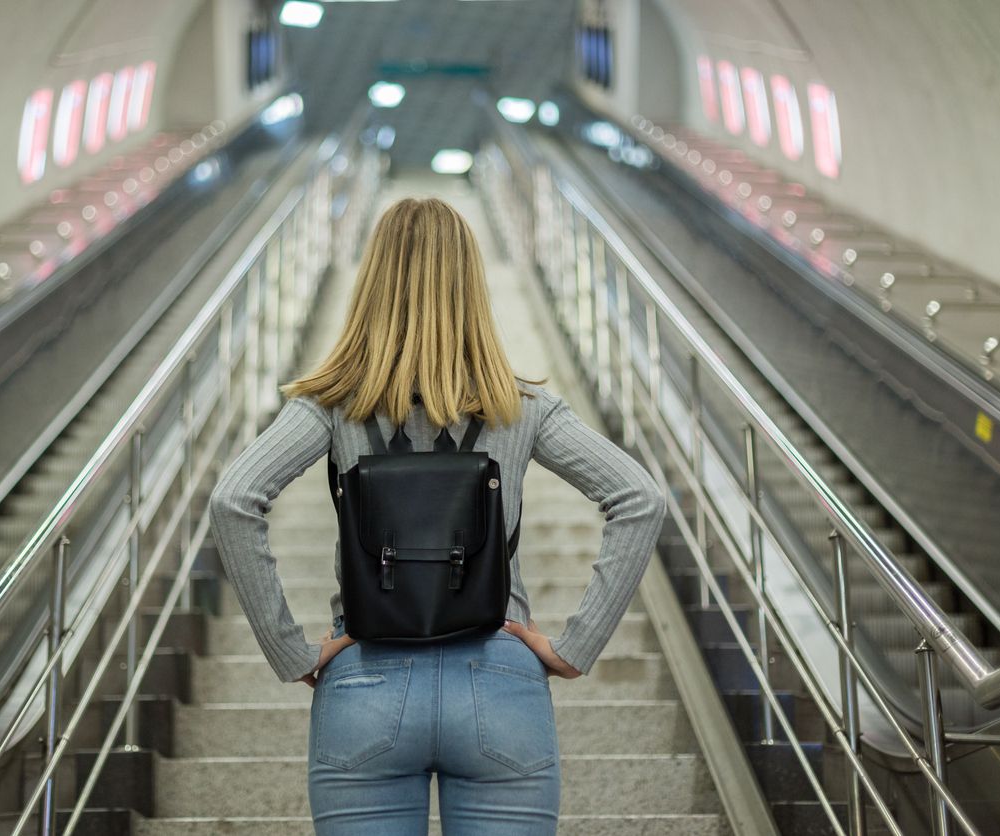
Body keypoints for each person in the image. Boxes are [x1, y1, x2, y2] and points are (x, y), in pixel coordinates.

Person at [208, 196, 667, 835]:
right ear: (471, 286)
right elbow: (639, 497)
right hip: (500, 676)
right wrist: (574, 648)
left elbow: (234, 499)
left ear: (372, 285)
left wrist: (293, 653)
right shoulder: (523, 406)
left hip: (365, 677)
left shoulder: (330, 404)